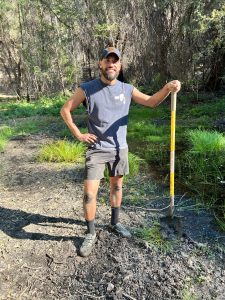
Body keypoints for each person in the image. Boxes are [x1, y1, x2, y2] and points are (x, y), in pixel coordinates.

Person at [60, 46, 181, 257]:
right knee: (89, 194)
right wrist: (79, 134)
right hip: (96, 150)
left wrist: (167, 88)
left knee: (117, 187)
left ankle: (115, 223)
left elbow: (151, 102)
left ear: (120, 66)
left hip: (119, 149)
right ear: (100, 64)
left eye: (115, 61)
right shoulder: (87, 88)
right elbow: (65, 109)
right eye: (107, 60)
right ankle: (90, 233)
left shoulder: (127, 89)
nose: (111, 64)